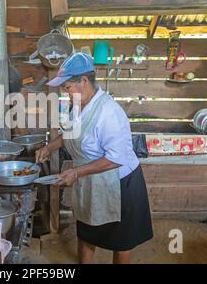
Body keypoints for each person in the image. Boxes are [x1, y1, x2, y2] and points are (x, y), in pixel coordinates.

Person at [36, 52, 153, 264]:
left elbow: (116, 158)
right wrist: (49, 147)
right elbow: (73, 132)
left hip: (119, 185)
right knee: (87, 230)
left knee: (121, 241)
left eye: (67, 86)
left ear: (83, 81)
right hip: (90, 180)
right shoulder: (79, 105)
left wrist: (76, 172)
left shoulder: (109, 113)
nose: (65, 91)